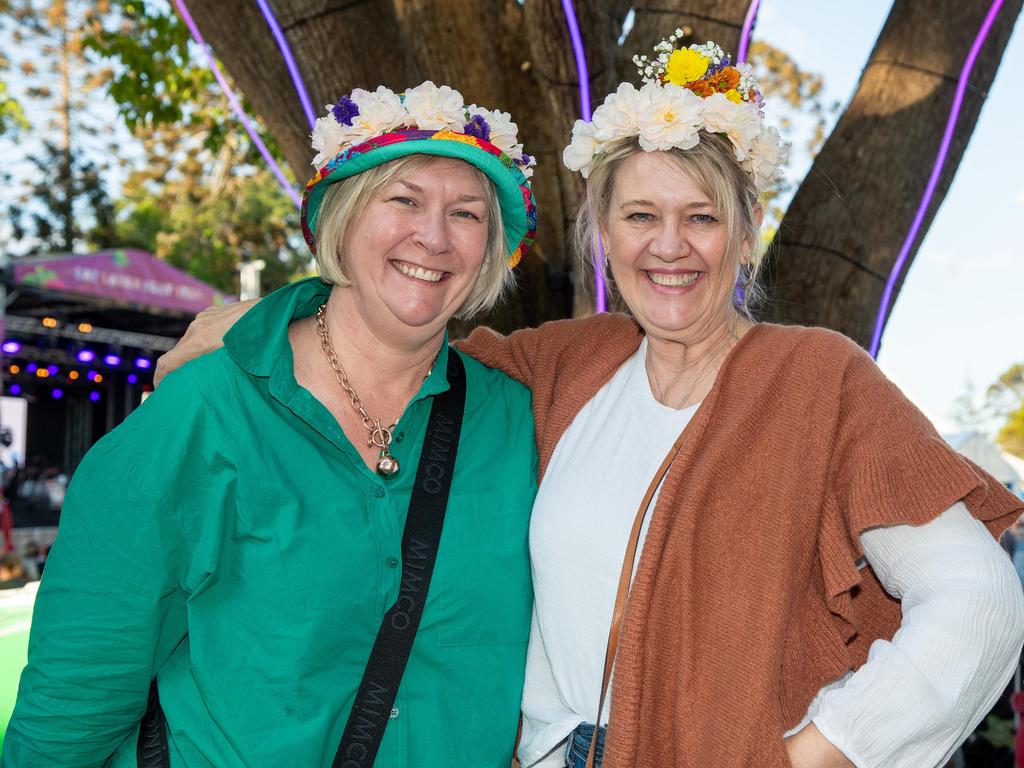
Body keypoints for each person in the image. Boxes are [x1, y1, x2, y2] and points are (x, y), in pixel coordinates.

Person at [151, 36, 1024, 768]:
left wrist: (818, 751)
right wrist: (251, 322)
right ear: (603, 236)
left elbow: (977, 602)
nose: (670, 247)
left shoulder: (819, 380)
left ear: (746, 232)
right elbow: (392, 339)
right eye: (640, 216)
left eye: (703, 218)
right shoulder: (562, 365)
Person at [3, 82, 540, 767]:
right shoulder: (200, 416)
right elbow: (70, 711)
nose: (432, 236)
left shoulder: (517, 423)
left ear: (490, 252)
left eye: (465, 213)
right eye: (403, 199)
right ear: (340, 219)